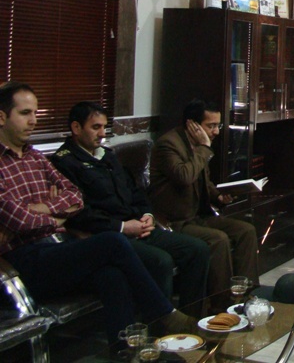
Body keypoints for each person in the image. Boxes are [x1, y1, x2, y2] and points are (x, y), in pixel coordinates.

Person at [0, 82, 192, 349]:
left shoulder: (35, 157)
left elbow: (75, 197)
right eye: (25, 113)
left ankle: (125, 351)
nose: (33, 120)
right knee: (113, 242)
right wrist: (56, 215)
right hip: (26, 259)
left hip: (60, 246)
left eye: (35, 113)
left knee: (112, 276)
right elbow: (19, 220)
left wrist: (42, 207)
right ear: (2, 117)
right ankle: (163, 314)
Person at [51, 101, 211, 317]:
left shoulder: (107, 156)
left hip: (139, 227)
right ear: (76, 128)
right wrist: (123, 226)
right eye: (95, 127)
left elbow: (135, 192)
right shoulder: (64, 163)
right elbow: (79, 213)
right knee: (160, 261)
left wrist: (147, 215)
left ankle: (191, 320)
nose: (102, 134)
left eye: (104, 127)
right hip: (109, 235)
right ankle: (160, 326)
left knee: (198, 250)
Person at [148, 99, 259, 307]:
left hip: (200, 215)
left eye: (218, 125)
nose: (216, 131)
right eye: (211, 126)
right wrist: (204, 148)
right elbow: (184, 176)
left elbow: (203, 181)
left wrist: (218, 196)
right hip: (176, 221)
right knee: (218, 240)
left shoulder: (198, 146)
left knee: (246, 231)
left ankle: (246, 296)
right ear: (192, 125)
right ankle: (221, 304)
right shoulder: (168, 144)